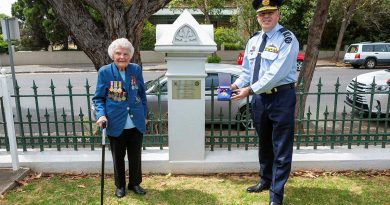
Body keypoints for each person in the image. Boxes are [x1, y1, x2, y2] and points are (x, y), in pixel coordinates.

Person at [230, 0, 299, 204]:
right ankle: (265, 180)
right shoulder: (253, 41)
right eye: (262, 14)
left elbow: (277, 72)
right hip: (260, 99)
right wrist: (234, 86)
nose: (266, 17)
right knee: (264, 144)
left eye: (270, 12)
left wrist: (249, 89)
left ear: (278, 13)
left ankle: (276, 196)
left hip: (281, 98)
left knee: (281, 148)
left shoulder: (287, 39)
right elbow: (247, 72)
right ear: (257, 17)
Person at [93, 38, 148, 198]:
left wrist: (144, 115)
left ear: (130, 55)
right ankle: (120, 186)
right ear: (113, 55)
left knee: (135, 156)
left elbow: (141, 94)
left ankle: (135, 183)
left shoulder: (136, 69)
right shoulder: (105, 72)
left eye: (125, 54)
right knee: (118, 157)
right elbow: (98, 98)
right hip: (115, 122)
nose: (122, 57)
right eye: (118, 53)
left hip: (136, 122)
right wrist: (101, 114)